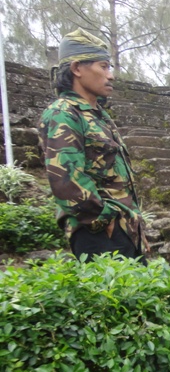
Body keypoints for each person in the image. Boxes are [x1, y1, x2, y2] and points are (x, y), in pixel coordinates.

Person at [38, 28, 148, 263]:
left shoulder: (98, 115)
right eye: (104, 66)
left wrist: (129, 224)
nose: (111, 76)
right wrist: (106, 218)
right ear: (77, 68)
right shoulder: (63, 113)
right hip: (98, 233)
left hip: (124, 231)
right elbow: (66, 181)